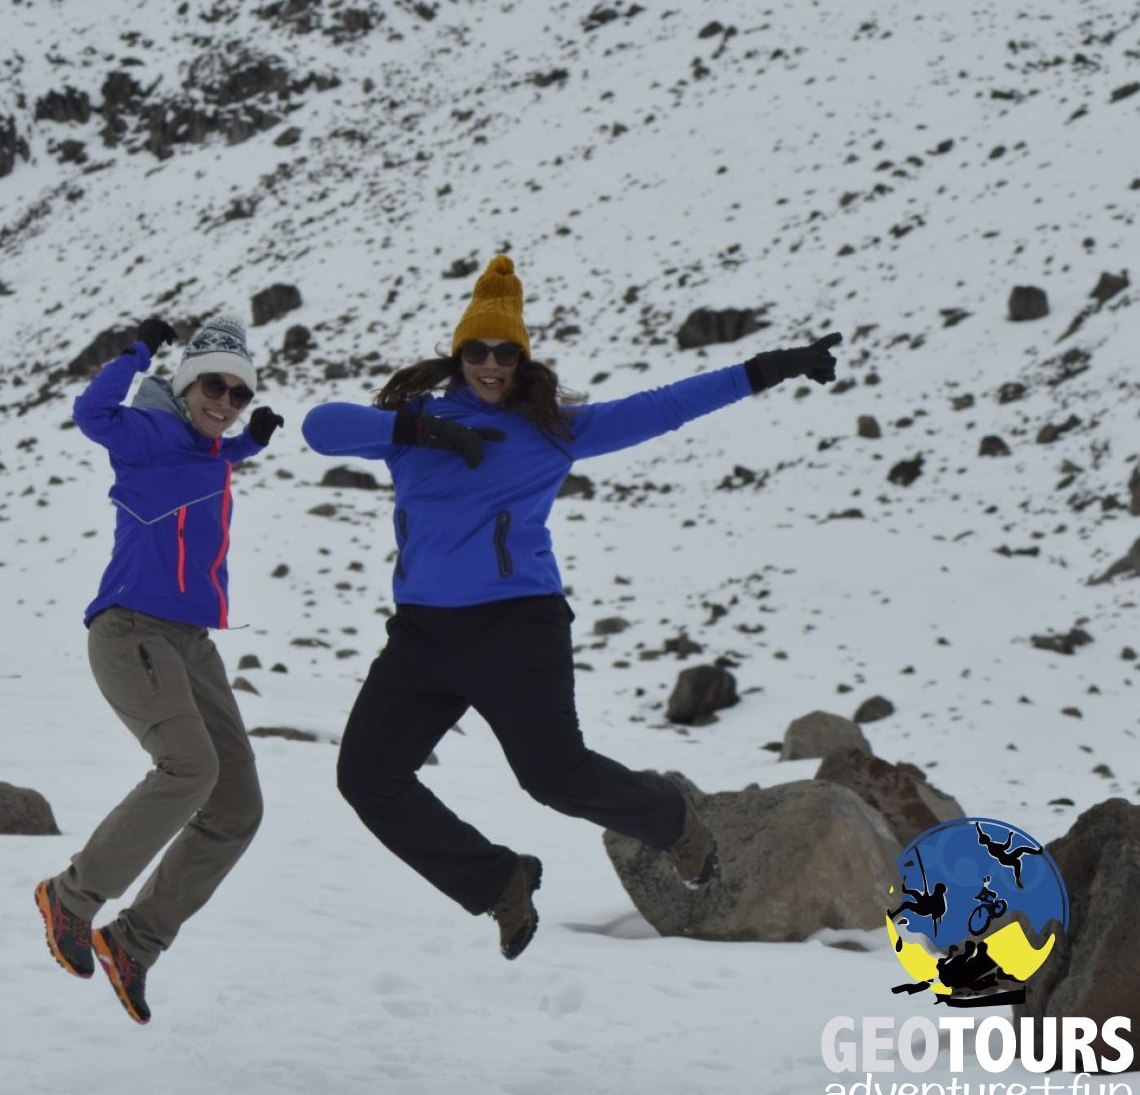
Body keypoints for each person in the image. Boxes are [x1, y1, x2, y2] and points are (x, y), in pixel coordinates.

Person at [301, 254, 842, 960]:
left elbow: (667, 405)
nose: (490, 364)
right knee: (366, 777)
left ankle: (672, 818)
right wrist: (422, 431)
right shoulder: (414, 424)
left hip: (516, 626)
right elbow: (319, 427)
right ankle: (498, 879)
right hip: (422, 637)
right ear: (458, 354)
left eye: (504, 352)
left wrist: (769, 366)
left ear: (521, 359)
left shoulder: (553, 429)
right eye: (477, 350)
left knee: (553, 775)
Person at [34, 314, 284, 1024]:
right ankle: (72, 896)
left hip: (190, 643)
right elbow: (93, 413)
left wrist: (251, 442)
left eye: (239, 393)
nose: (226, 401)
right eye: (214, 385)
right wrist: (138, 350)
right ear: (185, 383)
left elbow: (212, 458)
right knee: (187, 767)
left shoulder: (210, 450)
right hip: (131, 629)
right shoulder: (148, 434)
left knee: (238, 806)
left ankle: (136, 940)